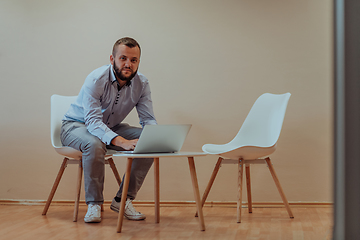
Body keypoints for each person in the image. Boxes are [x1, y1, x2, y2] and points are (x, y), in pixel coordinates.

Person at [60, 37, 157, 223]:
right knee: (95, 143)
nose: (128, 64)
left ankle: (123, 200)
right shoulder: (96, 79)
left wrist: (155, 137)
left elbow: (148, 119)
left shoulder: (142, 84)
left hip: (110, 127)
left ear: (138, 62)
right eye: (123, 58)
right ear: (112, 59)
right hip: (75, 126)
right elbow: (93, 122)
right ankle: (94, 204)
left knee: (150, 142)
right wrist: (121, 141)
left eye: (133, 60)